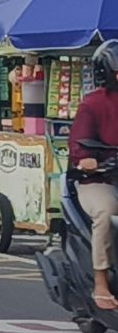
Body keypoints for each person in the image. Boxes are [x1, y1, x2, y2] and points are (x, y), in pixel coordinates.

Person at [69, 40, 118, 310]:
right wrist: (86, 159)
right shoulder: (93, 104)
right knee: (107, 211)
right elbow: (79, 145)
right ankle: (101, 282)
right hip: (99, 179)